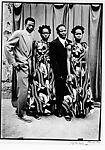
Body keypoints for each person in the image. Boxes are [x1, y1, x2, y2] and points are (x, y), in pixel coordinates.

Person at [4, 17, 36, 122]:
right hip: (22, 65)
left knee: (26, 89)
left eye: (32, 25)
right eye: (29, 25)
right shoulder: (19, 33)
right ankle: (22, 114)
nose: (30, 27)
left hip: (29, 66)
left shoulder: (31, 37)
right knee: (23, 89)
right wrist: (14, 62)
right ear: (25, 24)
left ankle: (20, 109)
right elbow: (8, 46)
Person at [26, 25, 55, 119]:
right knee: (37, 88)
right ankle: (35, 110)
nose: (45, 35)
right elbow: (33, 57)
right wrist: (33, 69)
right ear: (40, 33)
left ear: (49, 33)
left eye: (47, 33)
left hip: (48, 68)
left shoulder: (51, 44)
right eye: (44, 33)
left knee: (47, 88)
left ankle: (46, 109)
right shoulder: (36, 43)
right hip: (39, 67)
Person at [68, 25, 94, 118]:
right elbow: (68, 59)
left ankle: (83, 110)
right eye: (76, 34)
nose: (78, 35)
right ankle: (76, 110)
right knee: (75, 89)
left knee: (84, 88)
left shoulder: (84, 45)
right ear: (74, 35)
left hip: (83, 69)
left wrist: (86, 70)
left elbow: (86, 59)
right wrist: (69, 73)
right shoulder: (70, 46)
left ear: (82, 34)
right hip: (74, 68)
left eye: (80, 34)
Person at [49, 24, 73, 120]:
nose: (63, 32)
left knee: (68, 90)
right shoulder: (54, 43)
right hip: (59, 72)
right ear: (58, 32)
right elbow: (53, 61)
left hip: (68, 70)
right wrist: (58, 74)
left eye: (64, 30)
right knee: (59, 91)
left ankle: (68, 109)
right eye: (61, 31)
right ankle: (59, 109)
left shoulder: (69, 42)